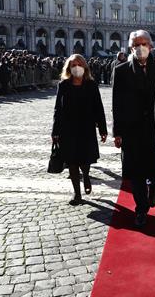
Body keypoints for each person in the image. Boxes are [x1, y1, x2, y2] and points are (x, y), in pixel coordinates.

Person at [112, 30, 155, 227]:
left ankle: (153, 188)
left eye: (144, 43)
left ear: (151, 46)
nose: (140, 47)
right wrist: (117, 132)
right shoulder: (121, 70)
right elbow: (116, 103)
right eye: (136, 44)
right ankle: (141, 209)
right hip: (131, 130)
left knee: (154, 170)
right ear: (130, 48)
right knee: (135, 173)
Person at [51, 54, 108, 205]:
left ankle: (87, 175)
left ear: (85, 67)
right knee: (72, 161)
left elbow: (98, 107)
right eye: (73, 65)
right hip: (67, 129)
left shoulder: (91, 85)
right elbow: (58, 109)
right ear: (69, 68)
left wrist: (103, 128)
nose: (77, 67)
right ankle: (77, 194)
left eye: (79, 64)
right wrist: (55, 131)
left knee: (85, 158)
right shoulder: (63, 85)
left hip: (86, 127)